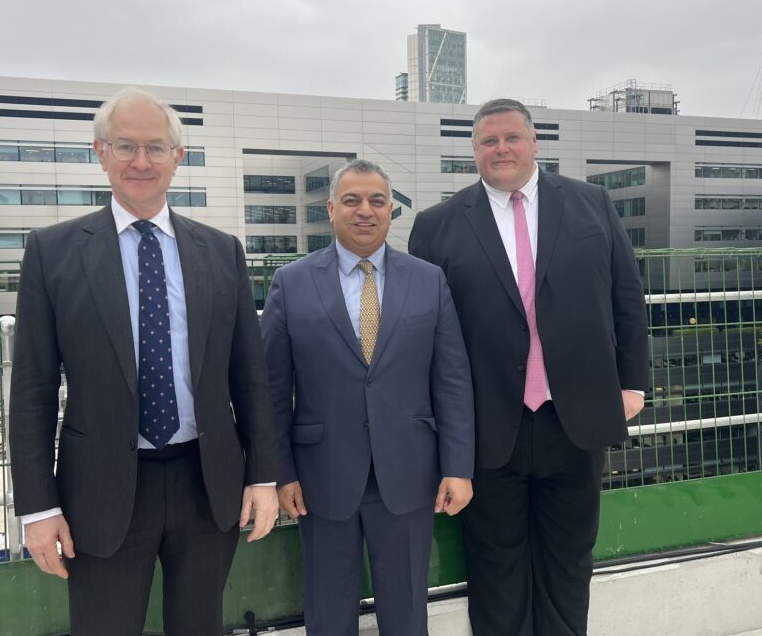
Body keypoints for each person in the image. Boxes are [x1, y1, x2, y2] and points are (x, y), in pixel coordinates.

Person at [9, 88, 280, 635]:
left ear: (178, 158)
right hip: (100, 492)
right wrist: (37, 509)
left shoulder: (221, 251)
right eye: (125, 146)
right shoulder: (53, 252)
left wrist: (264, 477)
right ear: (100, 152)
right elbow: (33, 388)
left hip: (207, 486)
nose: (140, 161)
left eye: (155, 148)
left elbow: (249, 375)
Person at [408, 99, 649, 636]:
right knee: (496, 572)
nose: (501, 149)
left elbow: (627, 296)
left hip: (577, 418)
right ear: (474, 151)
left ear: (534, 142)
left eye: (512, 137)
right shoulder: (436, 225)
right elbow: (423, 331)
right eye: (488, 141)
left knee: (569, 564)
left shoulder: (594, 204)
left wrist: (633, 384)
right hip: (488, 426)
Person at [261, 159, 475, 636]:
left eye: (377, 200)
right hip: (320, 479)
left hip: (409, 474)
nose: (365, 211)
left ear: (392, 210)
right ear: (332, 208)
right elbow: (272, 390)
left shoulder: (429, 280)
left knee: (406, 616)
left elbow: (452, 380)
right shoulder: (291, 283)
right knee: (329, 614)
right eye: (352, 200)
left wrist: (458, 467)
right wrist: (282, 472)